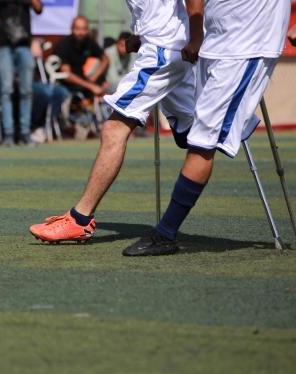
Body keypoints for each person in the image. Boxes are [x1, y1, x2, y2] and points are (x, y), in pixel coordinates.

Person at [124, 0, 292, 256]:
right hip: (215, 43)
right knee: (197, 131)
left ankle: (166, 233)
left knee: (203, 142)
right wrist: (196, 33)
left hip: (247, 46)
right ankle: (239, 123)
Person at [29, 0, 201, 250]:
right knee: (198, 134)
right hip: (170, 48)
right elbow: (156, 10)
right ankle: (239, 116)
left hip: (163, 53)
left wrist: (198, 36)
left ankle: (80, 219)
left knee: (114, 129)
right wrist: (138, 37)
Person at [0, 0, 43, 146]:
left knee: (27, 90)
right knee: (6, 90)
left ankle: (24, 133)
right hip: (4, 44)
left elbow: (39, 8)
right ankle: (8, 134)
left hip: (23, 44)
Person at [54, 16, 109, 100]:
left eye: (84, 29)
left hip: (82, 80)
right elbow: (67, 75)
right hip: (64, 83)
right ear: (72, 29)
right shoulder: (64, 45)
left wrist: (94, 78)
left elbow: (105, 59)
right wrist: (91, 86)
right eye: (77, 29)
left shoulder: (88, 41)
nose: (81, 32)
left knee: (105, 87)